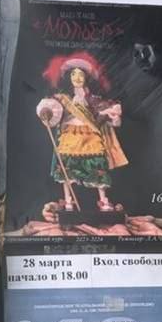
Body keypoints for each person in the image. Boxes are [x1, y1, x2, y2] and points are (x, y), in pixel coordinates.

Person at [36, 51, 126, 213]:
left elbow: (103, 114)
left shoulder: (94, 98)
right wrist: (46, 112)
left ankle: (104, 201)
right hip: (69, 135)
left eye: (81, 74)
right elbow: (51, 109)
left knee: (97, 166)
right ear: (68, 77)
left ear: (86, 78)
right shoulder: (62, 98)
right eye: (74, 74)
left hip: (90, 135)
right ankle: (68, 201)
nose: (77, 78)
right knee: (67, 167)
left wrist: (112, 113)